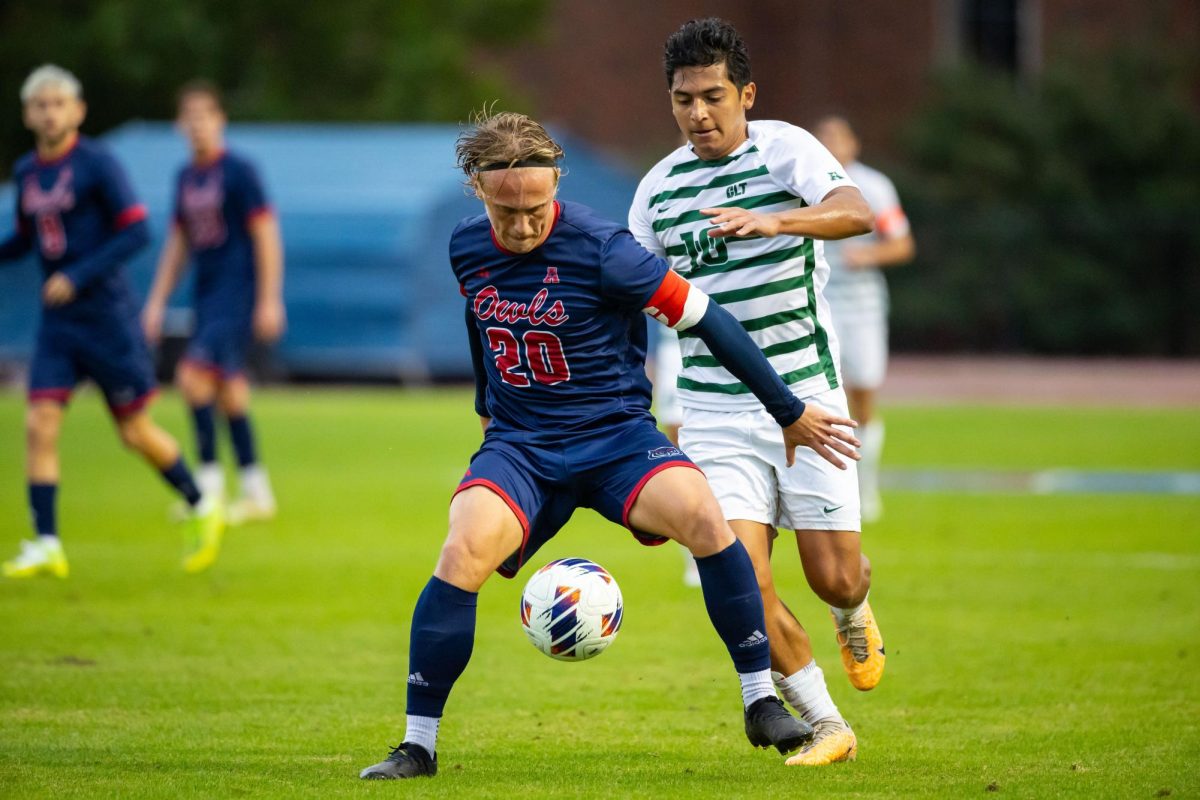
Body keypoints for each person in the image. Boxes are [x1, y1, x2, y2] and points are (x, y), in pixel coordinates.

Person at [359, 110, 862, 780]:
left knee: (706, 519)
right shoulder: (466, 245)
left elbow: (712, 320)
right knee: (460, 550)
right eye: (506, 212)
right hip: (523, 447)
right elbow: (481, 325)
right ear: (480, 193)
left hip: (617, 440)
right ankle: (417, 745)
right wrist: (486, 413)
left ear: (556, 186)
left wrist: (788, 409)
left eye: (536, 208)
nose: (523, 225)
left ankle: (760, 701)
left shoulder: (605, 249)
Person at [628, 18, 885, 766]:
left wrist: (774, 221)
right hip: (712, 410)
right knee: (740, 580)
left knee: (834, 576)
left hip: (808, 397)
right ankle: (828, 725)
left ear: (745, 93)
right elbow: (631, 298)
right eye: (683, 100)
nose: (699, 114)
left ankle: (854, 609)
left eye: (713, 96)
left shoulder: (786, 148)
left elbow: (857, 213)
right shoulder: (656, 190)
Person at [0, 65, 223, 578]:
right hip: (59, 323)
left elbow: (136, 230)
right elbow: (23, 237)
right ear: (28, 113)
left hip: (106, 319)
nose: (50, 112)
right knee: (39, 422)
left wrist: (78, 275)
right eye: (41, 104)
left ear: (77, 111)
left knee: (135, 432)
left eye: (59, 103)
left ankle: (199, 501)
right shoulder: (26, 173)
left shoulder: (97, 164)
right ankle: (47, 542)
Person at [142, 80, 284, 524]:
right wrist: (157, 301)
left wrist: (269, 298)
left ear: (220, 120)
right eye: (191, 117)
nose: (198, 125)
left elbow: (265, 234)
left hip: (237, 293)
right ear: (179, 125)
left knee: (191, 378)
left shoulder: (239, 171)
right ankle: (257, 491)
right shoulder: (186, 177)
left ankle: (206, 489)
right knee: (230, 392)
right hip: (206, 294)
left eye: (206, 116)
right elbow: (179, 241)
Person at [815, 115, 914, 523]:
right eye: (823, 138)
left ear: (854, 143)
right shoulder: (803, 184)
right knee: (821, 398)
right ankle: (831, 490)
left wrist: (867, 256)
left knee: (864, 396)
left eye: (839, 136)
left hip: (863, 308)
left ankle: (867, 484)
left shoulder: (873, 187)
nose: (831, 143)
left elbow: (903, 244)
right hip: (818, 304)